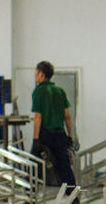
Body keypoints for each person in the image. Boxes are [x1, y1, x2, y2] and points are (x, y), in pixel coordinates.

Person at [30, 61, 77, 194]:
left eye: (37, 73)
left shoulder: (38, 91)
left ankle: (31, 196)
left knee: (34, 164)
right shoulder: (59, 91)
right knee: (64, 166)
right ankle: (73, 196)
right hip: (60, 134)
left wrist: (35, 139)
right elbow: (67, 116)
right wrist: (69, 135)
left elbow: (38, 116)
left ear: (41, 74)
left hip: (44, 134)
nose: (36, 76)